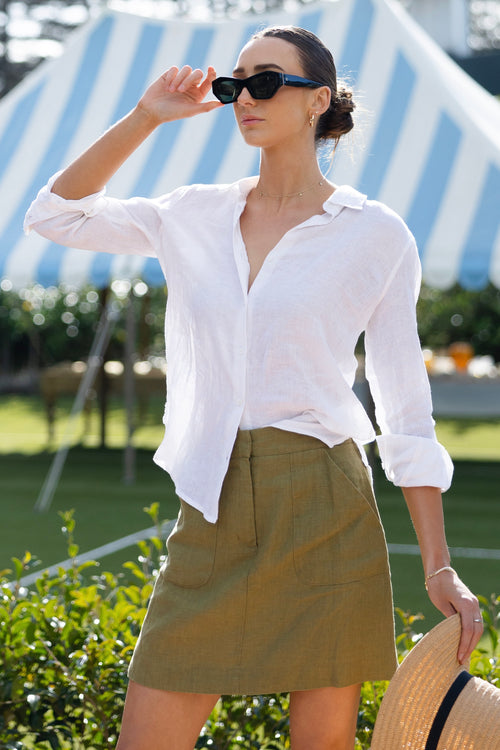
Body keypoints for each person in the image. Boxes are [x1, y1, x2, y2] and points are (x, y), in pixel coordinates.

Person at [25, 25, 483, 750]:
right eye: (235, 84)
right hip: (211, 503)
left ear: (317, 102)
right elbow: (53, 214)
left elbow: (404, 408)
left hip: (325, 501)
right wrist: (148, 114)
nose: (243, 98)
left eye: (265, 82)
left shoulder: (375, 234)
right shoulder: (192, 214)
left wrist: (440, 566)